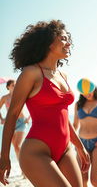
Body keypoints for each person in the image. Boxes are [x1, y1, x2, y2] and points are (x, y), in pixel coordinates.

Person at [0, 20, 90, 187]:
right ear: (48, 42)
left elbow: (63, 117)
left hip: (65, 149)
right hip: (36, 152)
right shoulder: (31, 73)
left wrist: (79, 146)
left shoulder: (63, 75)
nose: (68, 43)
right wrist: (4, 156)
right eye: (63, 38)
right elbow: (12, 115)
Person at [73, 78, 97, 187]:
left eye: (88, 91)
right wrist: (73, 141)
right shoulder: (78, 104)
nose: (87, 94)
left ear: (94, 89)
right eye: (83, 93)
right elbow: (75, 125)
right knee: (82, 180)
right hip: (82, 142)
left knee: (95, 181)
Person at [0, 79, 30, 161]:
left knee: (18, 146)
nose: (15, 86)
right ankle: (22, 167)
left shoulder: (21, 95)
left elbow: (33, 104)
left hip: (21, 122)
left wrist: (29, 117)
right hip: (10, 123)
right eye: (13, 85)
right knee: (15, 148)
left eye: (16, 85)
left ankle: (25, 167)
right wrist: (2, 118)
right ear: (8, 87)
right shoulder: (4, 98)